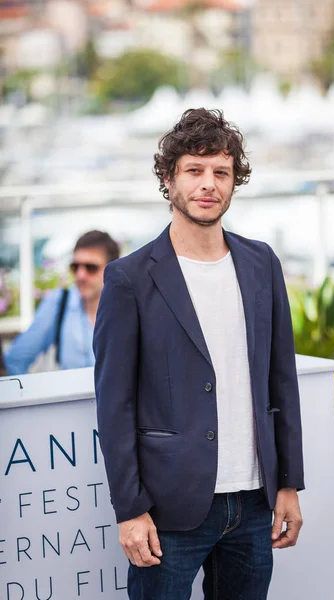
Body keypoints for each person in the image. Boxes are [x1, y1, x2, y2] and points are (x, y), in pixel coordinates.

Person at [94, 108, 304, 600]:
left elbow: (282, 380)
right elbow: (115, 403)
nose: (208, 184)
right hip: (169, 509)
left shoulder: (261, 263)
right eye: (194, 170)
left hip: (254, 502)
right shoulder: (128, 278)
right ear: (169, 180)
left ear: (234, 183)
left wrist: (289, 484)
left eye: (221, 173)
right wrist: (130, 510)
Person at [5, 230, 119, 375]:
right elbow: (16, 360)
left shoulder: (128, 307)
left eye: (91, 267)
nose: (80, 275)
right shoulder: (58, 301)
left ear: (113, 269)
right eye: (75, 267)